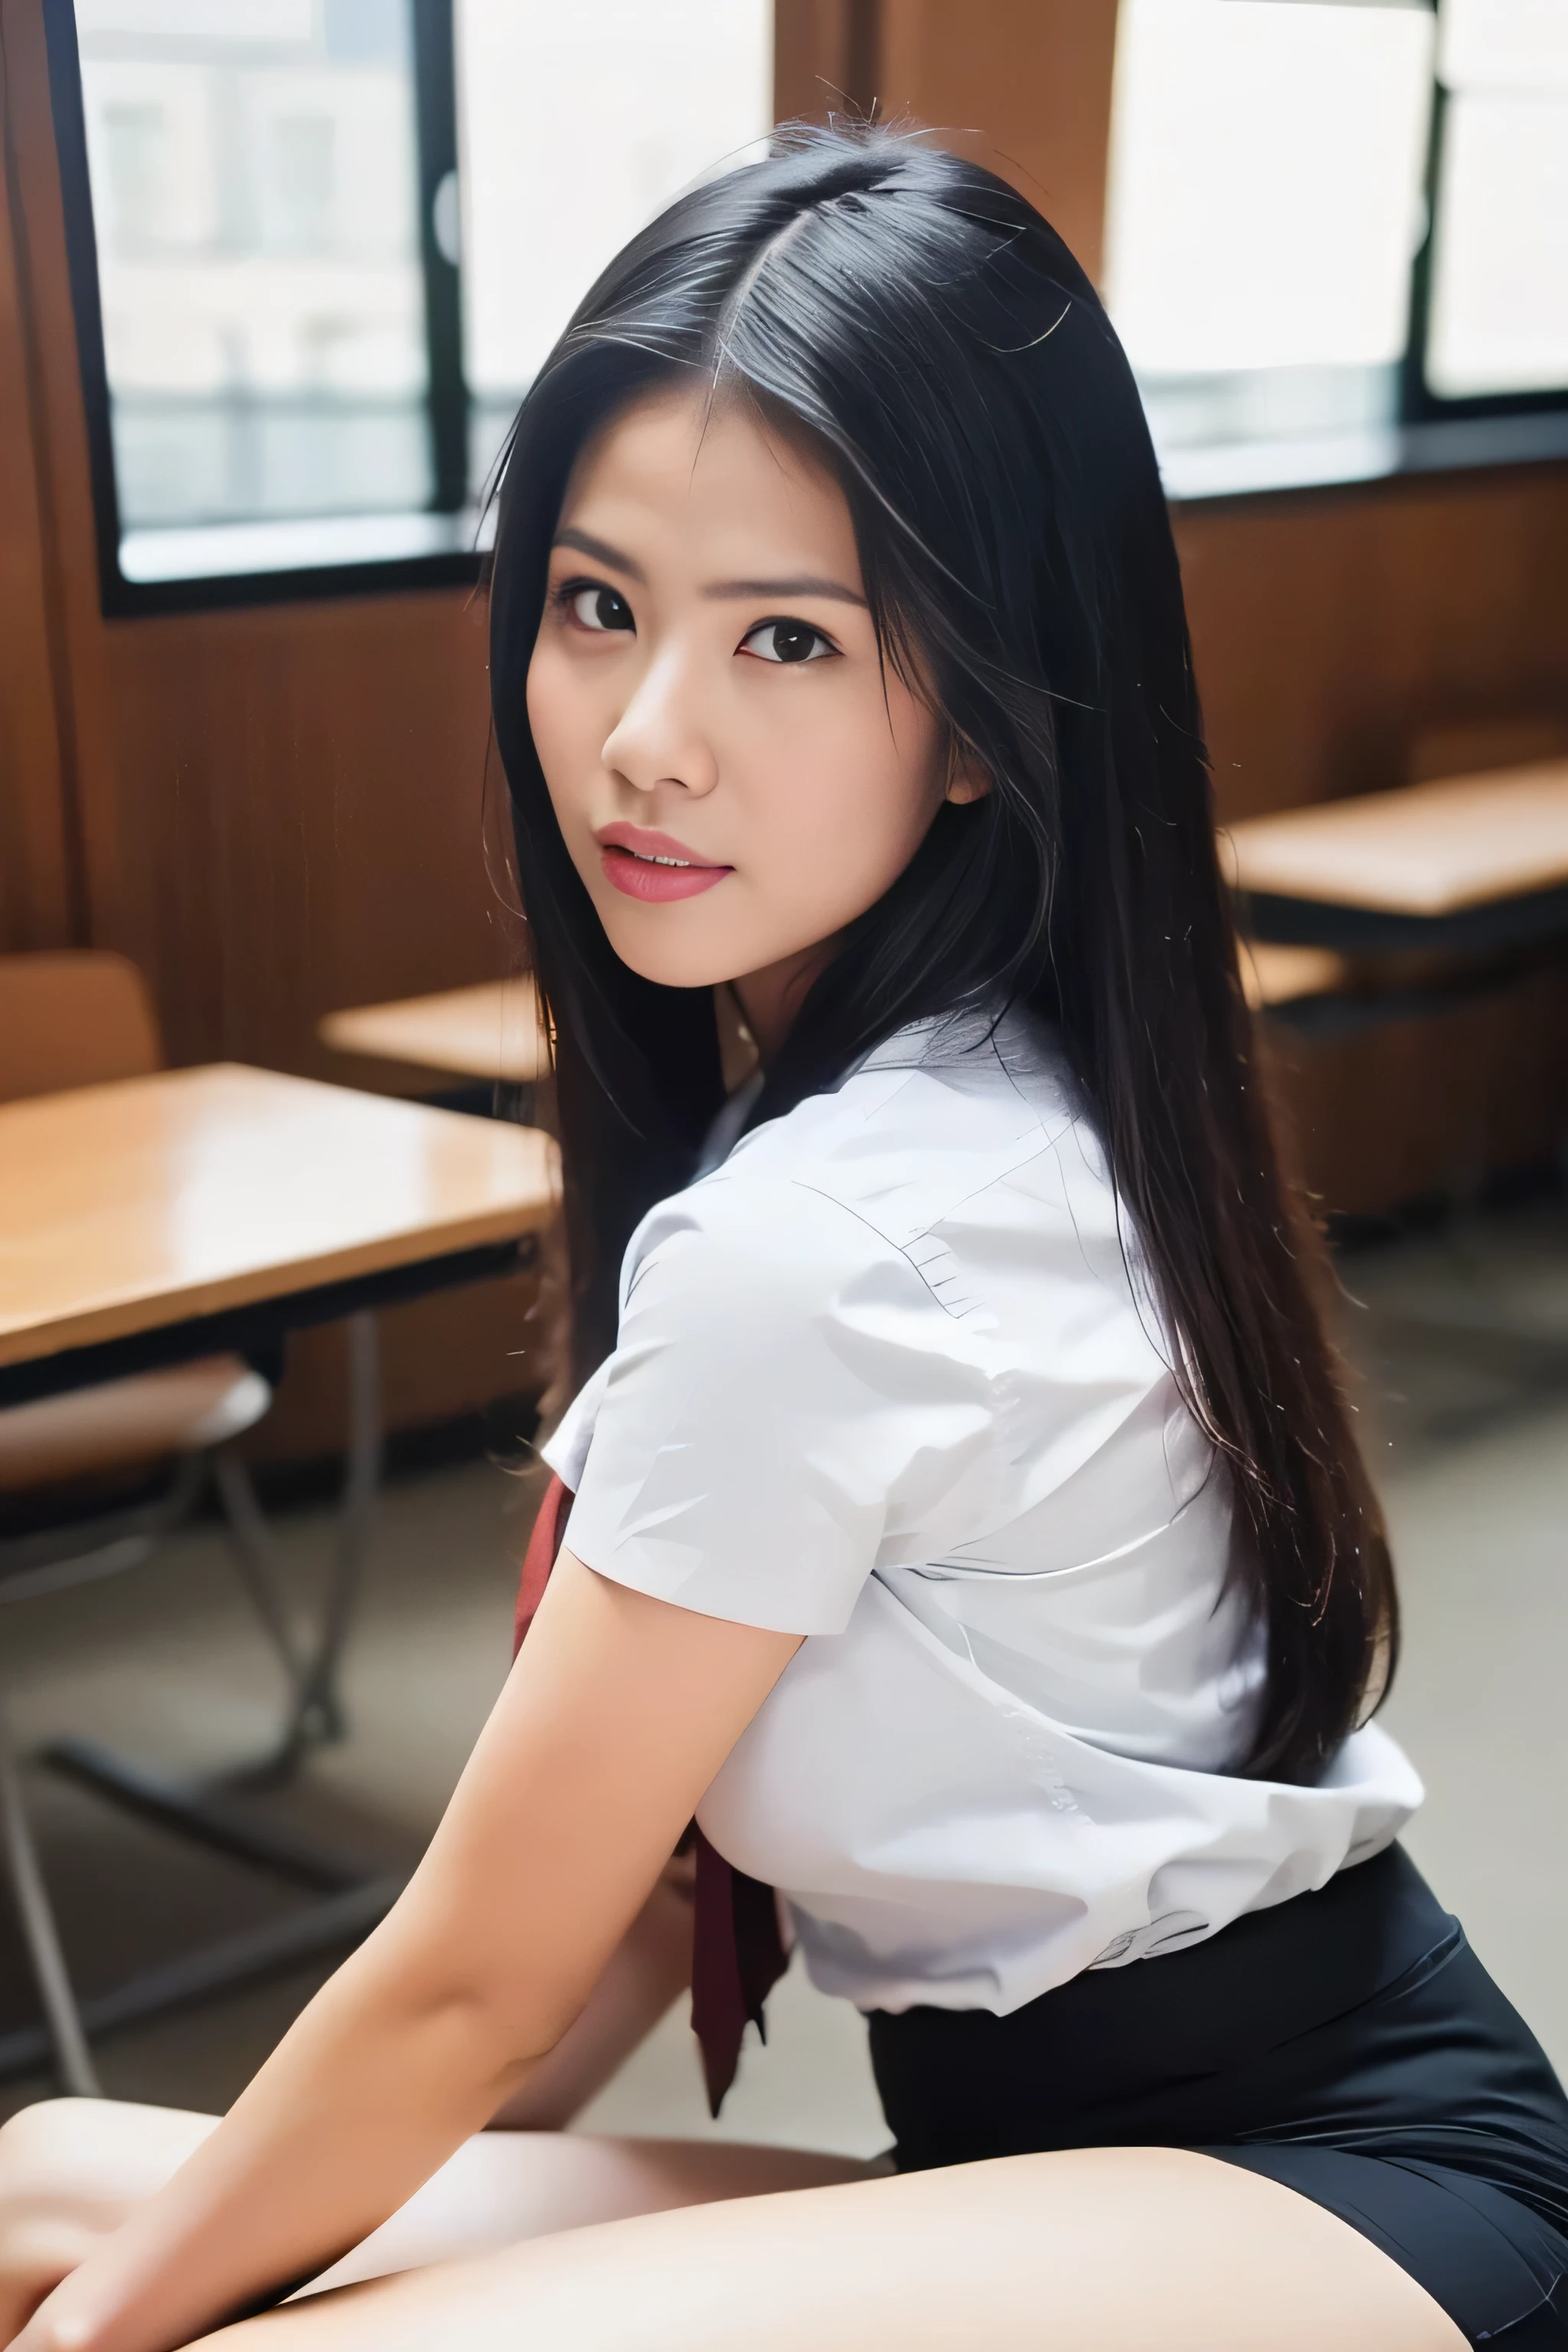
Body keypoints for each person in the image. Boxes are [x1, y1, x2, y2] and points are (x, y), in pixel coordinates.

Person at [2, 122, 1566, 2352]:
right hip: (1043, 2165)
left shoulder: (839, 1234)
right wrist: (275, 2244)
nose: (649, 739)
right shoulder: (925, 1087)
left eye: (792, 642)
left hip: (1339, 2184)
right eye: (599, 604)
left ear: (979, 720)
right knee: (47, 2182)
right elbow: (627, 1905)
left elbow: (471, 1981)